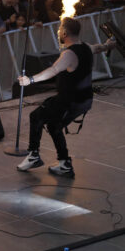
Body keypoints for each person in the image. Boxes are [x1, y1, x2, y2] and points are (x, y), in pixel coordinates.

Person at [16, 18, 116, 177]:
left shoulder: (69, 54)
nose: (58, 32)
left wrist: (30, 80)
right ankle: (64, 163)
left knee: (36, 116)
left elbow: (53, 70)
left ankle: (34, 155)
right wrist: (107, 45)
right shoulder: (85, 47)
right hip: (83, 100)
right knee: (54, 125)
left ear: (64, 33)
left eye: (59, 30)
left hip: (71, 101)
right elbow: (98, 48)